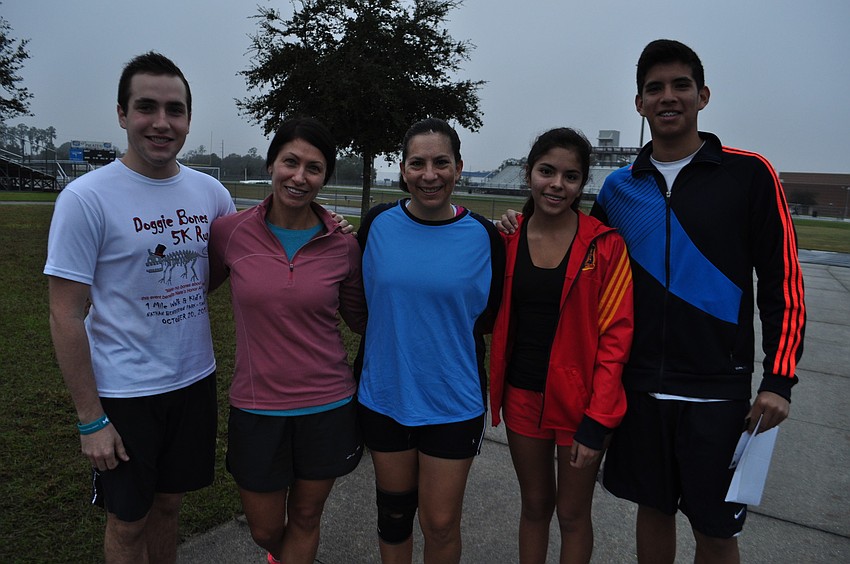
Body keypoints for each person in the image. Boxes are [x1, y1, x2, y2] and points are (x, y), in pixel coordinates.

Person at [501, 39, 806, 563]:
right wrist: (516, 221)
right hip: (640, 386)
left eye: (680, 85)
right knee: (654, 512)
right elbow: (574, 239)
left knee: (714, 528)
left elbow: (784, 285)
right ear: (638, 103)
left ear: (703, 95)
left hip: (717, 387)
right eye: (654, 88)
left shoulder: (749, 173)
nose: (668, 97)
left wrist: (779, 378)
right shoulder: (620, 188)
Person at [44, 52, 236, 563]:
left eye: (174, 110)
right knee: (127, 523)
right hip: (124, 392)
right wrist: (90, 420)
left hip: (193, 380)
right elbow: (64, 314)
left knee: (169, 507)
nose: (161, 122)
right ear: (122, 114)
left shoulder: (212, 194)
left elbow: (214, 274)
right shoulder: (86, 198)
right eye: (146, 107)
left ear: (188, 119)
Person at [208, 117, 367, 564]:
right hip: (257, 408)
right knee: (264, 530)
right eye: (290, 162)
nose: (300, 177)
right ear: (272, 164)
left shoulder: (343, 245)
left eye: (314, 168)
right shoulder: (230, 233)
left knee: (305, 517)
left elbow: (360, 320)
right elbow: (187, 289)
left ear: (324, 177)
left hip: (329, 406)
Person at [355, 117, 505, 564]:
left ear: (459, 168)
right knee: (394, 517)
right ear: (402, 169)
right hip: (385, 397)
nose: (429, 175)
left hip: (452, 403)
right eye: (417, 163)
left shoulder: (485, 235)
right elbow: (360, 302)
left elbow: (488, 316)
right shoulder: (377, 224)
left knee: (440, 523)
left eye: (441, 163)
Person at [489, 127, 633, 564]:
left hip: (581, 403)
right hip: (522, 397)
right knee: (535, 507)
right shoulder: (506, 239)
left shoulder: (606, 246)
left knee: (573, 515)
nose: (557, 184)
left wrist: (599, 420)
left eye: (570, 176)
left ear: (583, 183)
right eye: (546, 171)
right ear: (528, 174)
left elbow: (617, 338)